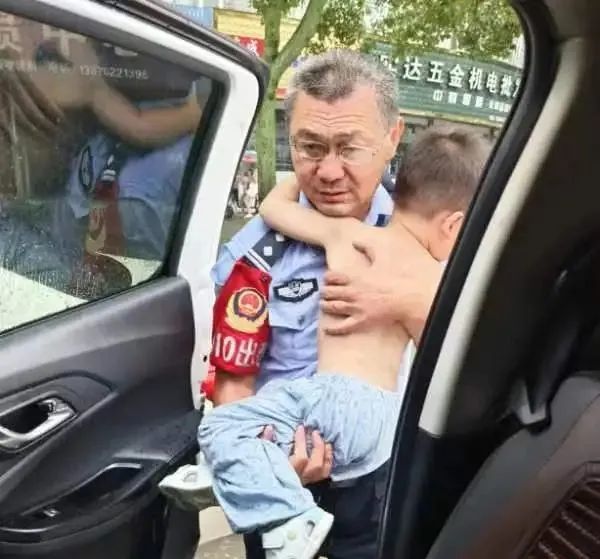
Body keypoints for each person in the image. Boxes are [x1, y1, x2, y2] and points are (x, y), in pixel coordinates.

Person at [159, 124, 491, 558]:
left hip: (334, 400)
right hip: (382, 426)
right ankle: (243, 482)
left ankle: (283, 510)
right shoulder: (436, 279)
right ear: (454, 224)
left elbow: (273, 207)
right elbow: (446, 361)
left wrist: (307, 169)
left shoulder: (348, 236)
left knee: (220, 426)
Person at [203, 49, 402, 559]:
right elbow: (233, 381)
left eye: (349, 148)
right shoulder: (255, 257)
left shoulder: (420, 234)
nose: (328, 171)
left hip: (393, 479)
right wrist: (269, 465)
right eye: (310, 147)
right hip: (289, 483)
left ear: (392, 138)